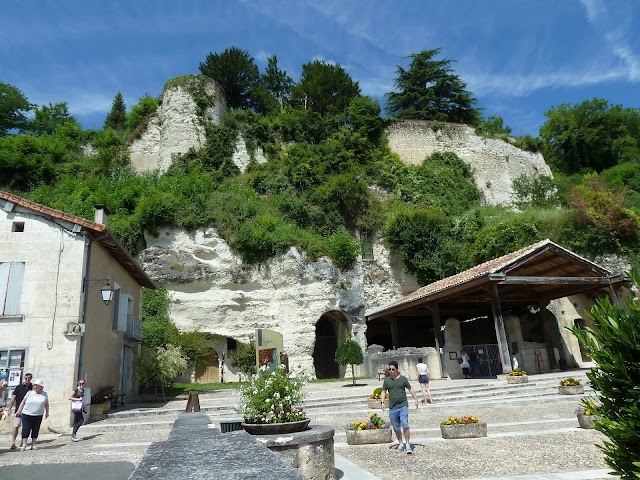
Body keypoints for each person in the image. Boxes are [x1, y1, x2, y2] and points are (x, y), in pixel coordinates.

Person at [381, 361, 419, 454]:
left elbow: (410, 389)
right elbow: (383, 391)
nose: (391, 371)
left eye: (393, 369)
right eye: (389, 369)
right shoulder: (387, 381)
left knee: (405, 424)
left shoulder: (403, 379)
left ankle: (408, 444)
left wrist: (416, 399)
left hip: (403, 405)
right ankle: (401, 443)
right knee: (396, 428)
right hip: (393, 407)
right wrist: (382, 402)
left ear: (397, 369)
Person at [16, 378, 49, 451]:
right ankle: (24, 444)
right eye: (35, 385)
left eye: (37, 385)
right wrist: (19, 411)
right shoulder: (29, 393)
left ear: (41, 387)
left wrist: (47, 412)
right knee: (26, 429)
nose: (35, 387)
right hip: (27, 414)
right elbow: (23, 402)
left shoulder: (44, 394)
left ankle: (33, 444)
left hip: (38, 415)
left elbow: (46, 404)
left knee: (35, 429)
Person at [7, 372, 32, 450]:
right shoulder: (19, 387)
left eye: (29, 378)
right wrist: (10, 408)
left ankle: (23, 442)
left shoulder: (32, 387)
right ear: (24, 378)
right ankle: (13, 442)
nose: (27, 380)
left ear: (31, 379)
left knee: (26, 427)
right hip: (18, 410)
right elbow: (13, 398)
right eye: (26, 378)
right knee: (16, 426)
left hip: (28, 410)